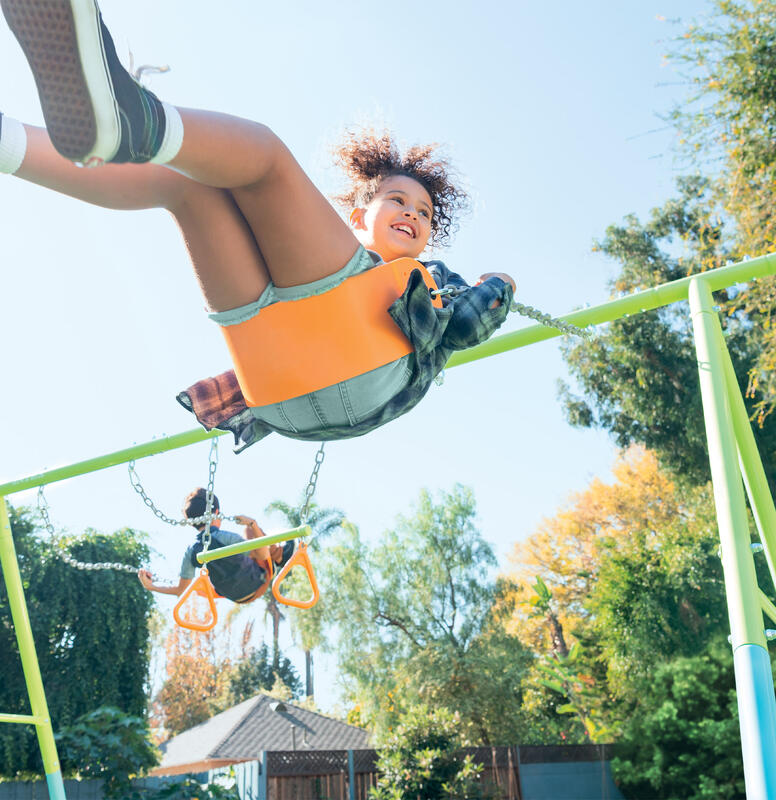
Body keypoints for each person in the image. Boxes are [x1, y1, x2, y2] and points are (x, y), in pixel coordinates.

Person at [0, 0, 516, 452]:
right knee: (186, 186)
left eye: (424, 214)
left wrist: (500, 286)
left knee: (265, 159)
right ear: (358, 217)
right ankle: (12, 142)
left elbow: (469, 325)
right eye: (398, 200)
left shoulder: (431, 277)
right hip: (277, 388)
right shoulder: (318, 254)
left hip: (368, 372)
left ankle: (135, 118)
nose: (412, 214)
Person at [137, 488, 294, 604]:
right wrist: (253, 523)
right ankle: (279, 555)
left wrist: (152, 587)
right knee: (251, 532)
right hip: (258, 581)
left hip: (234, 596)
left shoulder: (191, 551)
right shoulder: (225, 537)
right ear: (216, 512)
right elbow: (262, 555)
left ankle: (276, 552)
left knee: (199, 581)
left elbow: (181, 590)